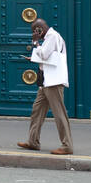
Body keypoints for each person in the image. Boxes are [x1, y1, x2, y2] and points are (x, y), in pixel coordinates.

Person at [17, 17, 74, 155]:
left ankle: (67, 145)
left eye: (35, 32)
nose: (35, 35)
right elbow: (46, 56)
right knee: (37, 110)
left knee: (59, 113)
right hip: (46, 81)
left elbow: (43, 54)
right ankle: (33, 141)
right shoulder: (51, 37)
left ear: (39, 30)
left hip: (53, 82)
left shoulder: (52, 37)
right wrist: (35, 56)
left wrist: (36, 43)